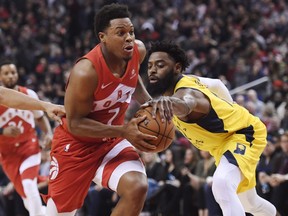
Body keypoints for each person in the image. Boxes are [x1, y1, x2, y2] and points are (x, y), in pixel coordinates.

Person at [43, 4, 159, 215]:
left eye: (131, 31)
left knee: (138, 187)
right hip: (76, 146)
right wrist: (123, 131)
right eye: (121, 33)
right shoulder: (85, 72)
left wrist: (151, 104)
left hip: (110, 141)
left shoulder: (137, 51)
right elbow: (76, 124)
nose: (129, 38)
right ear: (102, 37)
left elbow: (133, 81)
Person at [144, 41, 277, 216]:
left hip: (244, 133)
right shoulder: (186, 81)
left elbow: (186, 103)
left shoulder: (187, 93)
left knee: (221, 183)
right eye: (150, 66)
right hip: (221, 145)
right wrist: (230, 106)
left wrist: (173, 103)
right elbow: (217, 84)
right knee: (248, 203)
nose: (153, 70)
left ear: (176, 68)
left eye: (160, 65)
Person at [0, 61, 64, 216]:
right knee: (28, 199)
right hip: (7, 154)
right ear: (0, 76)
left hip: (29, 147)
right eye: (6, 73)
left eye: (13, 72)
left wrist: (48, 133)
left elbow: (40, 118)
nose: (10, 76)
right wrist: (2, 130)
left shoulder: (29, 95)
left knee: (29, 185)